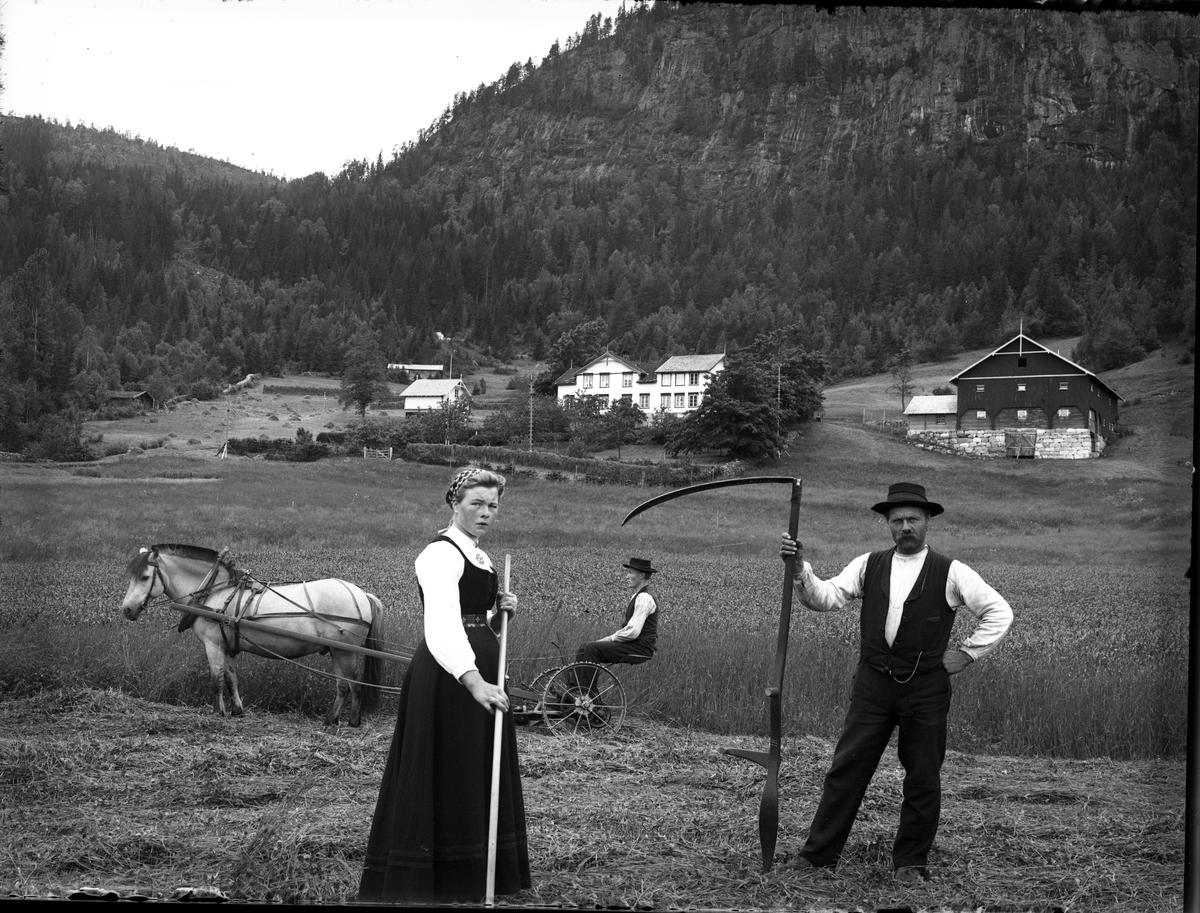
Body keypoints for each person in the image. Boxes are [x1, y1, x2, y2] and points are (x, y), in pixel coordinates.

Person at [778, 482, 1012, 883]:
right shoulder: (868, 564)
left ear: (927, 523)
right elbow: (827, 597)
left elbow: (999, 612)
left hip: (925, 689)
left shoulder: (951, 571)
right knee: (846, 770)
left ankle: (910, 863)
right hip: (873, 684)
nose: (905, 526)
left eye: (913, 520)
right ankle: (818, 856)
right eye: (897, 520)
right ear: (887, 524)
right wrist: (800, 568)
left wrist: (967, 653)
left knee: (922, 776)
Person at [358, 467, 531, 905]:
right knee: (450, 767)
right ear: (455, 503)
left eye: (493, 505)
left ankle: (474, 875)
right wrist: (473, 682)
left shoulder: (480, 556)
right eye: (476, 503)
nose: (486, 513)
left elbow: (475, 620)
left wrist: (499, 612)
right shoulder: (440, 554)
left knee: (473, 769)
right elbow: (442, 626)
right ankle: (440, 878)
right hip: (450, 675)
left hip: (478, 670)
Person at [575, 556, 660, 669]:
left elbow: (633, 632)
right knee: (584, 647)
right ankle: (575, 685)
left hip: (640, 647)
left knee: (592, 649)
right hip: (634, 644)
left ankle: (586, 687)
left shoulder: (645, 598)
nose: (627, 576)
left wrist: (610, 638)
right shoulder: (637, 596)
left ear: (642, 575)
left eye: (630, 573)